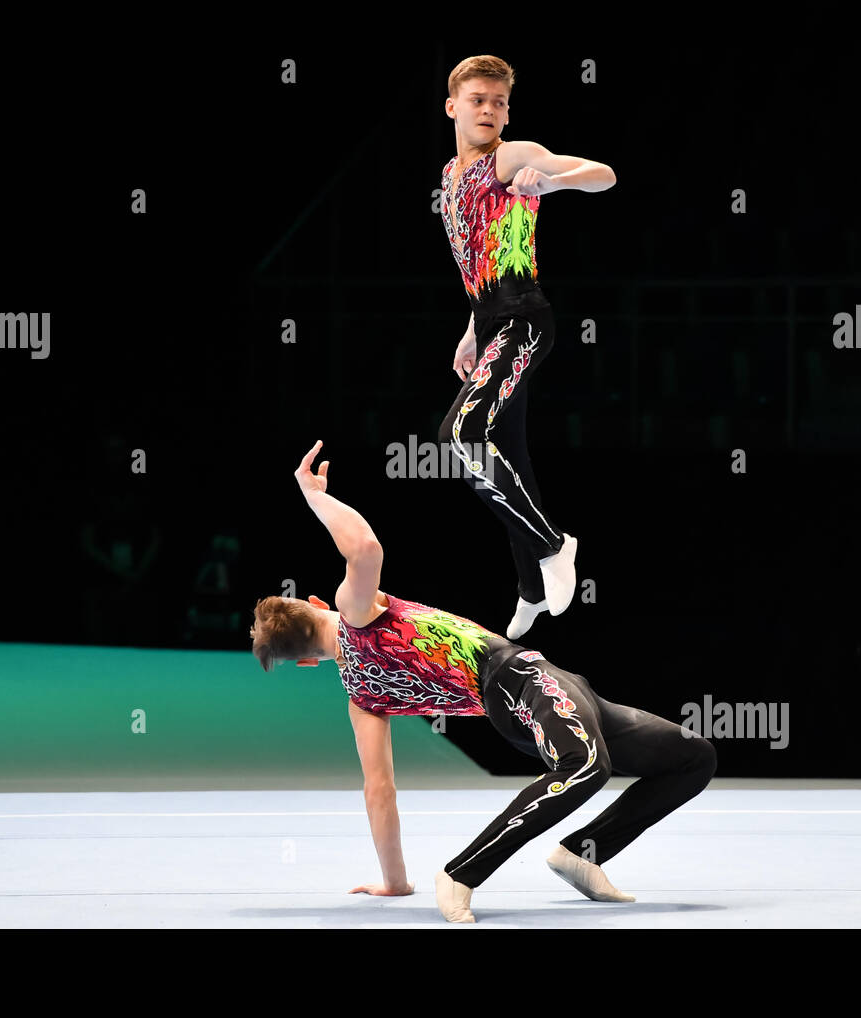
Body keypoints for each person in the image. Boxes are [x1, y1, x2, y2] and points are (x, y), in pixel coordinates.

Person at [249, 441, 716, 923]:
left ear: (304, 664)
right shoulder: (353, 610)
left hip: (532, 686)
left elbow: (379, 790)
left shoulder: (361, 700)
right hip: (516, 681)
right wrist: (314, 496)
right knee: (585, 766)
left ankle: (584, 854)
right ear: (318, 603)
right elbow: (365, 546)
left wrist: (393, 881)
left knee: (692, 757)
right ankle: (461, 873)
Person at [438, 55, 617, 639]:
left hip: (524, 322)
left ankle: (552, 546)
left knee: (461, 436)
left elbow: (604, 173)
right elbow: (474, 256)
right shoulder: (448, 176)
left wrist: (554, 180)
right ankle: (531, 587)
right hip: (491, 324)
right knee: (508, 451)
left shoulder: (511, 157)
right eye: (478, 100)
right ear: (453, 107)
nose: (489, 110)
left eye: (499, 102)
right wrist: (471, 328)